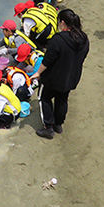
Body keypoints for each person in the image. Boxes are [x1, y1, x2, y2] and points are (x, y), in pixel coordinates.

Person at [31, 9, 90, 139]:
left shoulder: (57, 39)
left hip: (53, 78)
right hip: (71, 77)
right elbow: (83, 57)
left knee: (44, 98)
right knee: (62, 99)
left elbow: (47, 60)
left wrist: (38, 73)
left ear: (62, 23)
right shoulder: (84, 39)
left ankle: (48, 127)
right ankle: (58, 124)